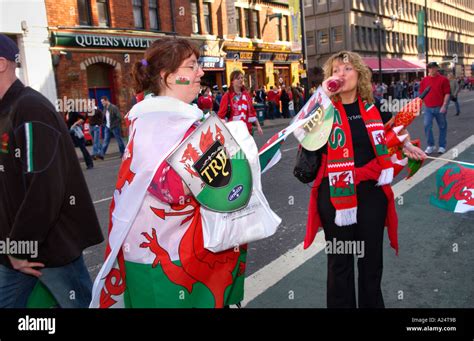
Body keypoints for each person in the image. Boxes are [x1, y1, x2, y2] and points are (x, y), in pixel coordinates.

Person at [90, 37, 247, 308]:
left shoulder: (164, 117)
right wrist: (231, 152)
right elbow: (172, 188)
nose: (200, 73)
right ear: (168, 77)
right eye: (191, 67)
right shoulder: (162, 123)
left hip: (170, 247)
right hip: (168, 254)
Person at [303, 51, 426, 308]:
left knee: (371, 263)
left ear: (359, 74)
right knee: (340, 263)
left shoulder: (373, 107)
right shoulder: (322, 109)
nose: (341, 74)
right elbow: (302, 132)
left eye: (347, 69)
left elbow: (389, 136)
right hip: (335, 194)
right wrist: (320, 98)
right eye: (336, 70)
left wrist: (407, 147)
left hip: (371, 192)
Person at [0, 34, 103, 308]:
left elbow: (44, 186)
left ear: (1, 64)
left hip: (46, 248)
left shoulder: (29, 108)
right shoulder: (6, 110)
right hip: (14, 249)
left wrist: (20, 245)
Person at [217, 70, 263, 136]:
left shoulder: (246, 95)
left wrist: (258, 126)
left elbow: (252, 112)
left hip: (247, 130)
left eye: (242, 78)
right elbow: (221, 116)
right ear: (232, 81)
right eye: (238, 78)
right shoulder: (227, 96)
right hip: (234, 132)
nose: (241, 80)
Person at [420, 61, 451, 154]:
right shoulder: (424, 80)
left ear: (437, 68)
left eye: (433, 67)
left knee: (442, 126)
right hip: (428, 108)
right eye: (430, 68)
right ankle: (431, 145)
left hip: (440, 106)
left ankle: (442, 146)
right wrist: (421, 106)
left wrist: (444, 105)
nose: (432, 69)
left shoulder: (443, 79)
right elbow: (422, 94)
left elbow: (447, 93)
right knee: (427, 125)